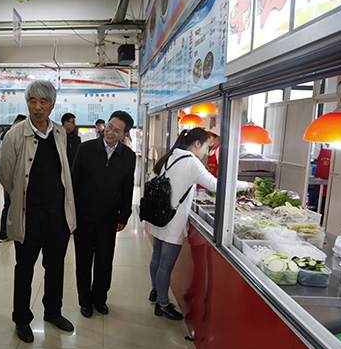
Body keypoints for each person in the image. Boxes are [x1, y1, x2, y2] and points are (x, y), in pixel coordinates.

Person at [0, 80, 77, 343]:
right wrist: (25, 199)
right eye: (32, 101)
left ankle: (53, 312)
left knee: (55, 267)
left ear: (52, 105)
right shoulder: (14, 136)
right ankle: (21, 319)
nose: (37, 107)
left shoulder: (59, 132)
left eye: (43, 102)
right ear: (27, 103)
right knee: (24, 269)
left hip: (57, 214)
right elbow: (6, 176)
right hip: (29, 215)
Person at [146, 127, 252, 320]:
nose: (206, 152)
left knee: (157, 258)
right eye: (206, 147)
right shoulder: (192, 162)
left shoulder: (168, 157)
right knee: (166, 265)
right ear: (197, 144)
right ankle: (162, 303)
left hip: (158, 215)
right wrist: (246, 185)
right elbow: (217, 185)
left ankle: (155, 291)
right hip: (173, 220)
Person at [71, 111, 136, 318]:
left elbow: (127, 187)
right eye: (109, 127)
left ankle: (100, 299)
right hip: (83, 216)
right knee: (83, 261)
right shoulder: (86, 149)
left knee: (104, 261)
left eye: (117, 130)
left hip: (109, 218)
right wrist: (71, 214)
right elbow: (74, 182)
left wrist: (124, 215)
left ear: (124, 134)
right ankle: (85, 301)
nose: (110, 132)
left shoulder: (128, 157)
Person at [0, 114, 27, 243]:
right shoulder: (9, 136)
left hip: (15, 177)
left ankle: (9, 232)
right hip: (11, 178)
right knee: (9, 205)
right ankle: (4, 233)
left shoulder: (8, 135)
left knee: (11, 205)